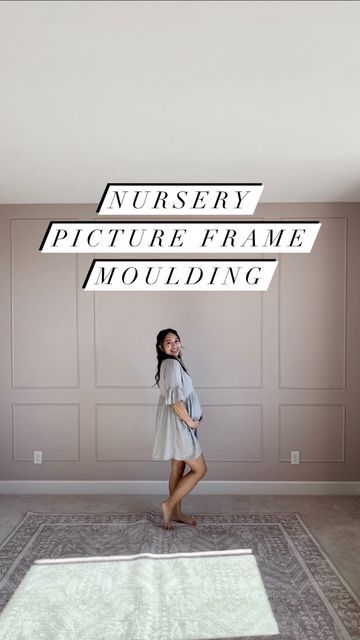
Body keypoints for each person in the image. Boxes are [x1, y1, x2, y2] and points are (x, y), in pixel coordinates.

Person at [152, 328, 207, 529]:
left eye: (176, 341)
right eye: (168, 342)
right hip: (180, 424)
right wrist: (190, 422)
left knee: (178, 467)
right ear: (161, 347)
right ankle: (169, 504)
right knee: (200, 469)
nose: (174, 345)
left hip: (177, 424)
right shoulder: (172, 365)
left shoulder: (169, 364)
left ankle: (175, 513)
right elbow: (176, 402)